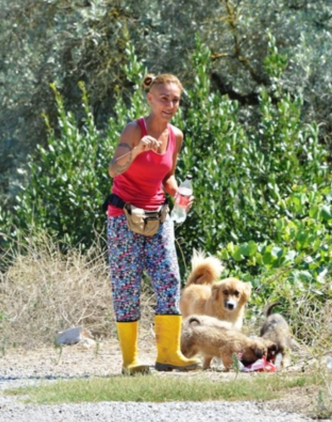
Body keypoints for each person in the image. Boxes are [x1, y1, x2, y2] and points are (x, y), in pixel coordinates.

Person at [106, 73, 200, 375]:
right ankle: (130, 361)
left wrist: (178, 193)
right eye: (164, 99)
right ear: (150, 99)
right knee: (127, 286)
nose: (170, 105)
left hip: (158, 217)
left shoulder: (177, 135)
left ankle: (169, 354)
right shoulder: (135, 129)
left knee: (169, 279)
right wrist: (137, 151)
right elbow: (113, 170)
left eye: (175, 100)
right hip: (124, 219)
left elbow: (167, 176)